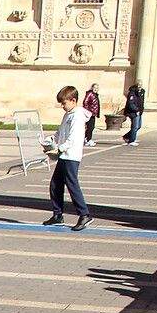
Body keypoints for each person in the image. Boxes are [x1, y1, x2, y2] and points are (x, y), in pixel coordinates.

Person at [44, 85, 93, 231]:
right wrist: (50, 141)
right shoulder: (68, 114)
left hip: (71, 155)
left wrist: (59, 148)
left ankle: (84, 214)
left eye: (64, 103)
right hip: (64, 155)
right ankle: (58, 215)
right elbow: (60, 132)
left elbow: (73, 139)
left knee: (72, 184)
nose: (62, 106)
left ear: (73, 100)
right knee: (55, 184)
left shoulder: (77, 116)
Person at [123, 81, 145, 145]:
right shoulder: (132, 93)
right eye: (139, 86)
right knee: (135, 127)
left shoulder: (142, 92)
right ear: (136, 86)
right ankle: (131, 141)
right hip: (133, 112)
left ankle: (126, 136)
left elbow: (141, 102)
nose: (140, 87)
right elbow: (130, 103)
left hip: (139, 112)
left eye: (141, 85)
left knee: (139, 126)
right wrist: (136, 110)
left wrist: (141, 110)